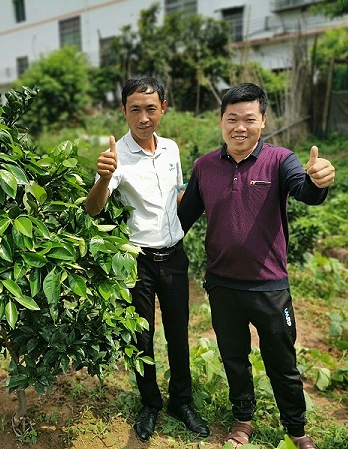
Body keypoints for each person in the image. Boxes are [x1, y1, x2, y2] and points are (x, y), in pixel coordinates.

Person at [177, 82, 335, 449]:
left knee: (283, 362)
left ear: (263, 120)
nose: (240, 127)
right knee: (234, 358)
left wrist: (318, 179)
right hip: (222, 284)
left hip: (269, 286)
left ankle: (296, 429)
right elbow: (181, 221)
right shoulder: (205, 166)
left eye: (249, 118)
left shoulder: (281, 160)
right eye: (232, 118)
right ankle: (243, 420)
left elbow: (306, 191)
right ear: (221, 121)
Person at [86, 77, 210, 442]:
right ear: (123, 110)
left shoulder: (171, 149)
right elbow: (93, 209)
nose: (143, 118)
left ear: (164, 109)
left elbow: (174, 196)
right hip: (136, 261)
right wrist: (103, 178)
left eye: (151, 109)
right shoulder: (116, 157)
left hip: (174, 256)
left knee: (178, 333)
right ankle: (150, 403)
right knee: (141, 336)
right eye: (135, 110)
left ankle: (181, 401)